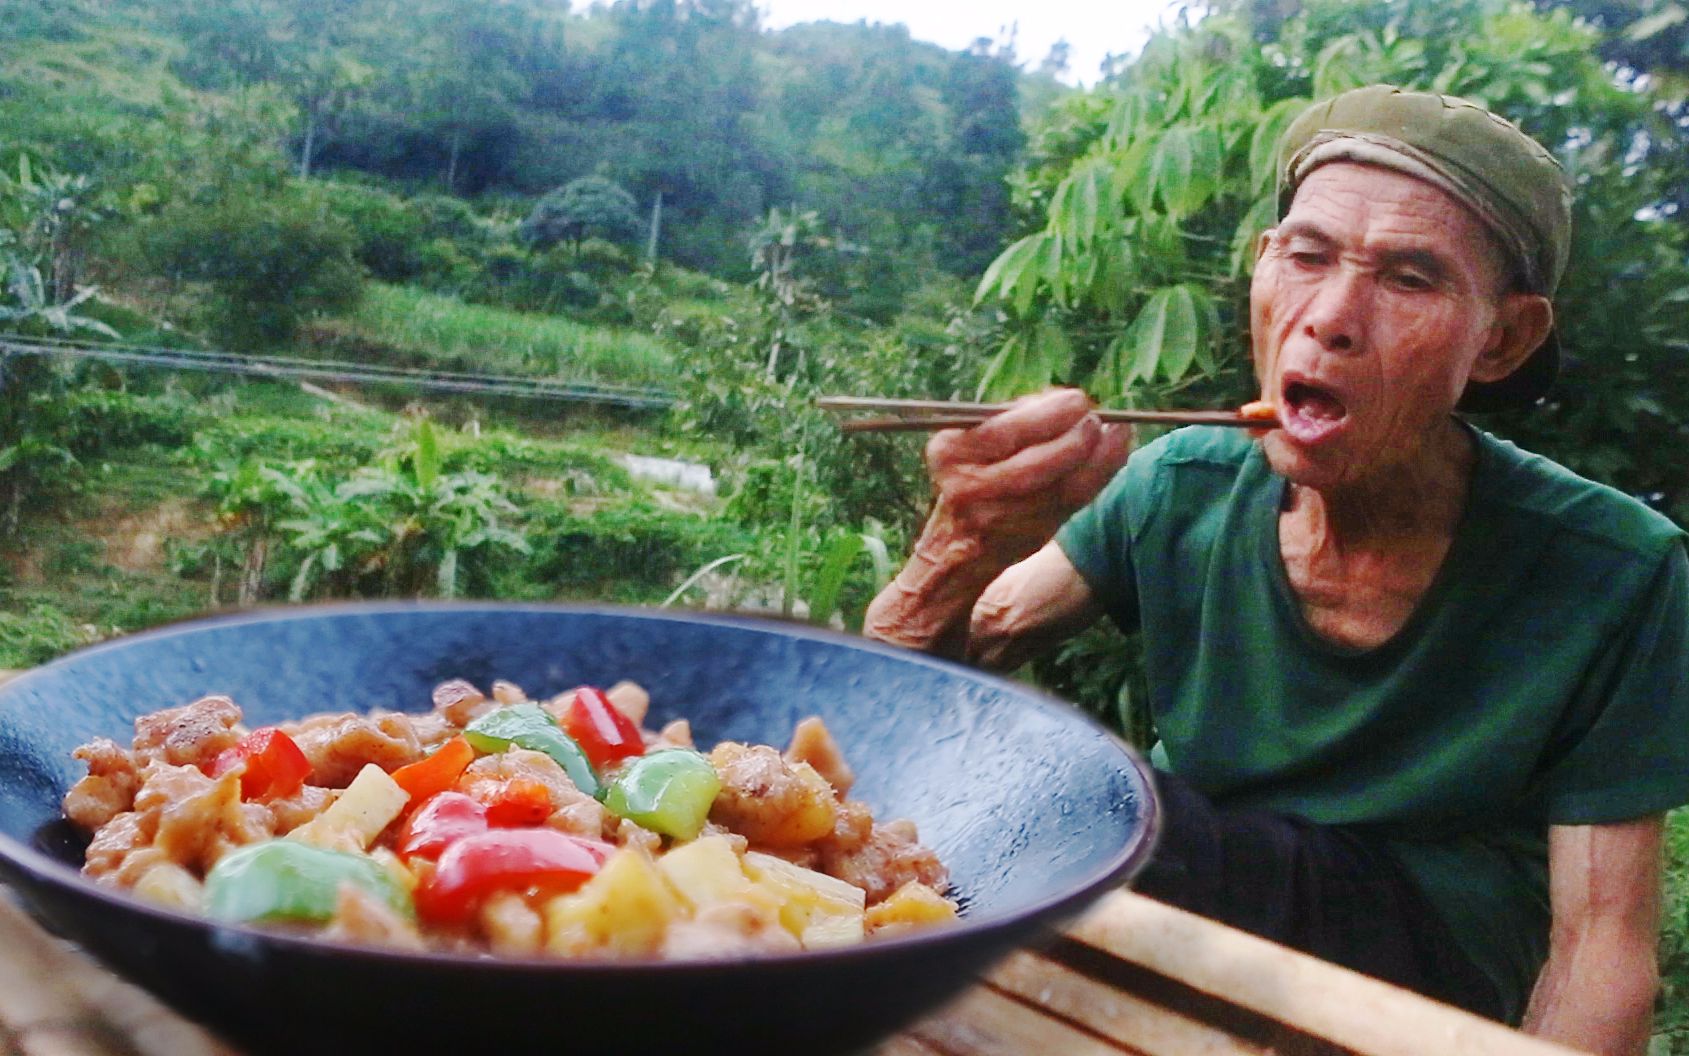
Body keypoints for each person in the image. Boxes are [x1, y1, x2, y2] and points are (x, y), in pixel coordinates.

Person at [864, 85, 1689, 1056]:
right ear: (1263, 268)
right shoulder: (1184, 486)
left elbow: (1601, 950)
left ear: (1502, 339)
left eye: (1411, 278)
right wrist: (958, 545)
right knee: (1023, 799)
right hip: (1184, 877)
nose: (1331, 318)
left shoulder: (1612, 571)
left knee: (1096, 817)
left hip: (1415, 953)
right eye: (1307, 256)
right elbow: (927, 667)